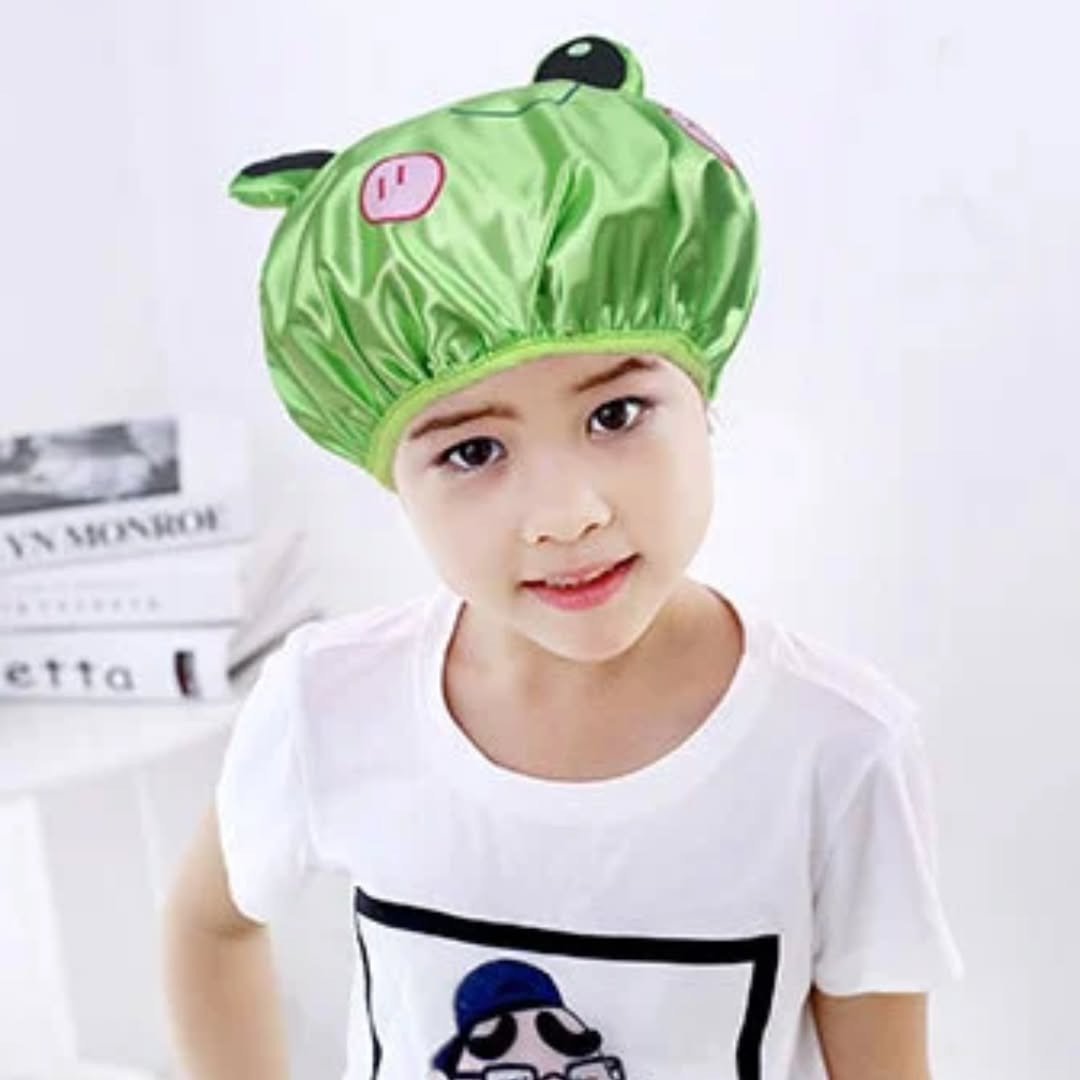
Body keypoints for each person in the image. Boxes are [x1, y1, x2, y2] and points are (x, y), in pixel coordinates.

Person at [162, 34, 964, 1080]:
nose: (565, 515)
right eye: (473, 451)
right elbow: (209, 926)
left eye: (616, 413)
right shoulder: (327, 703)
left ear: (704, 398)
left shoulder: (836, 748)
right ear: (389, 473)